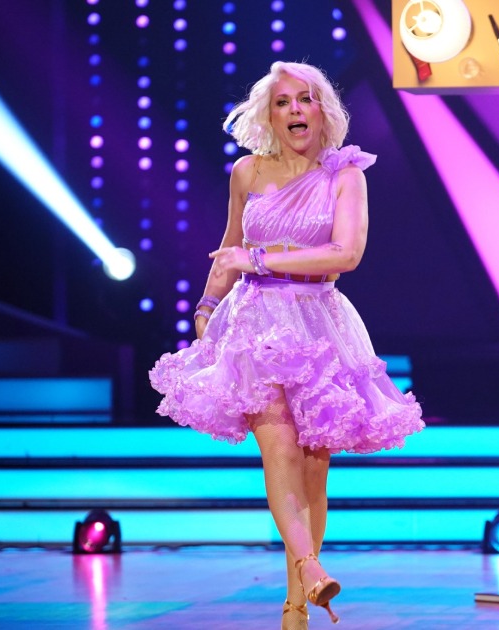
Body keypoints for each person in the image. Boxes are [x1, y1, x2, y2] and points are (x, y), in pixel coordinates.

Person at [149, 61, 424, 629]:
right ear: (269, 116)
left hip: (319, 321)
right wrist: (205, 307)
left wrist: (257, 259)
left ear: (322, 110)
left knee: (315, 467)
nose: (295, 109)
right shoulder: (247, 172)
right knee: (280, 450)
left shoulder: (346, 175)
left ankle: (298, 603)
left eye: (305, 99)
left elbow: (346, 254)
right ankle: (310, 568)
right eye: (282, 102)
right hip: (255, 321)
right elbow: (229, 246)